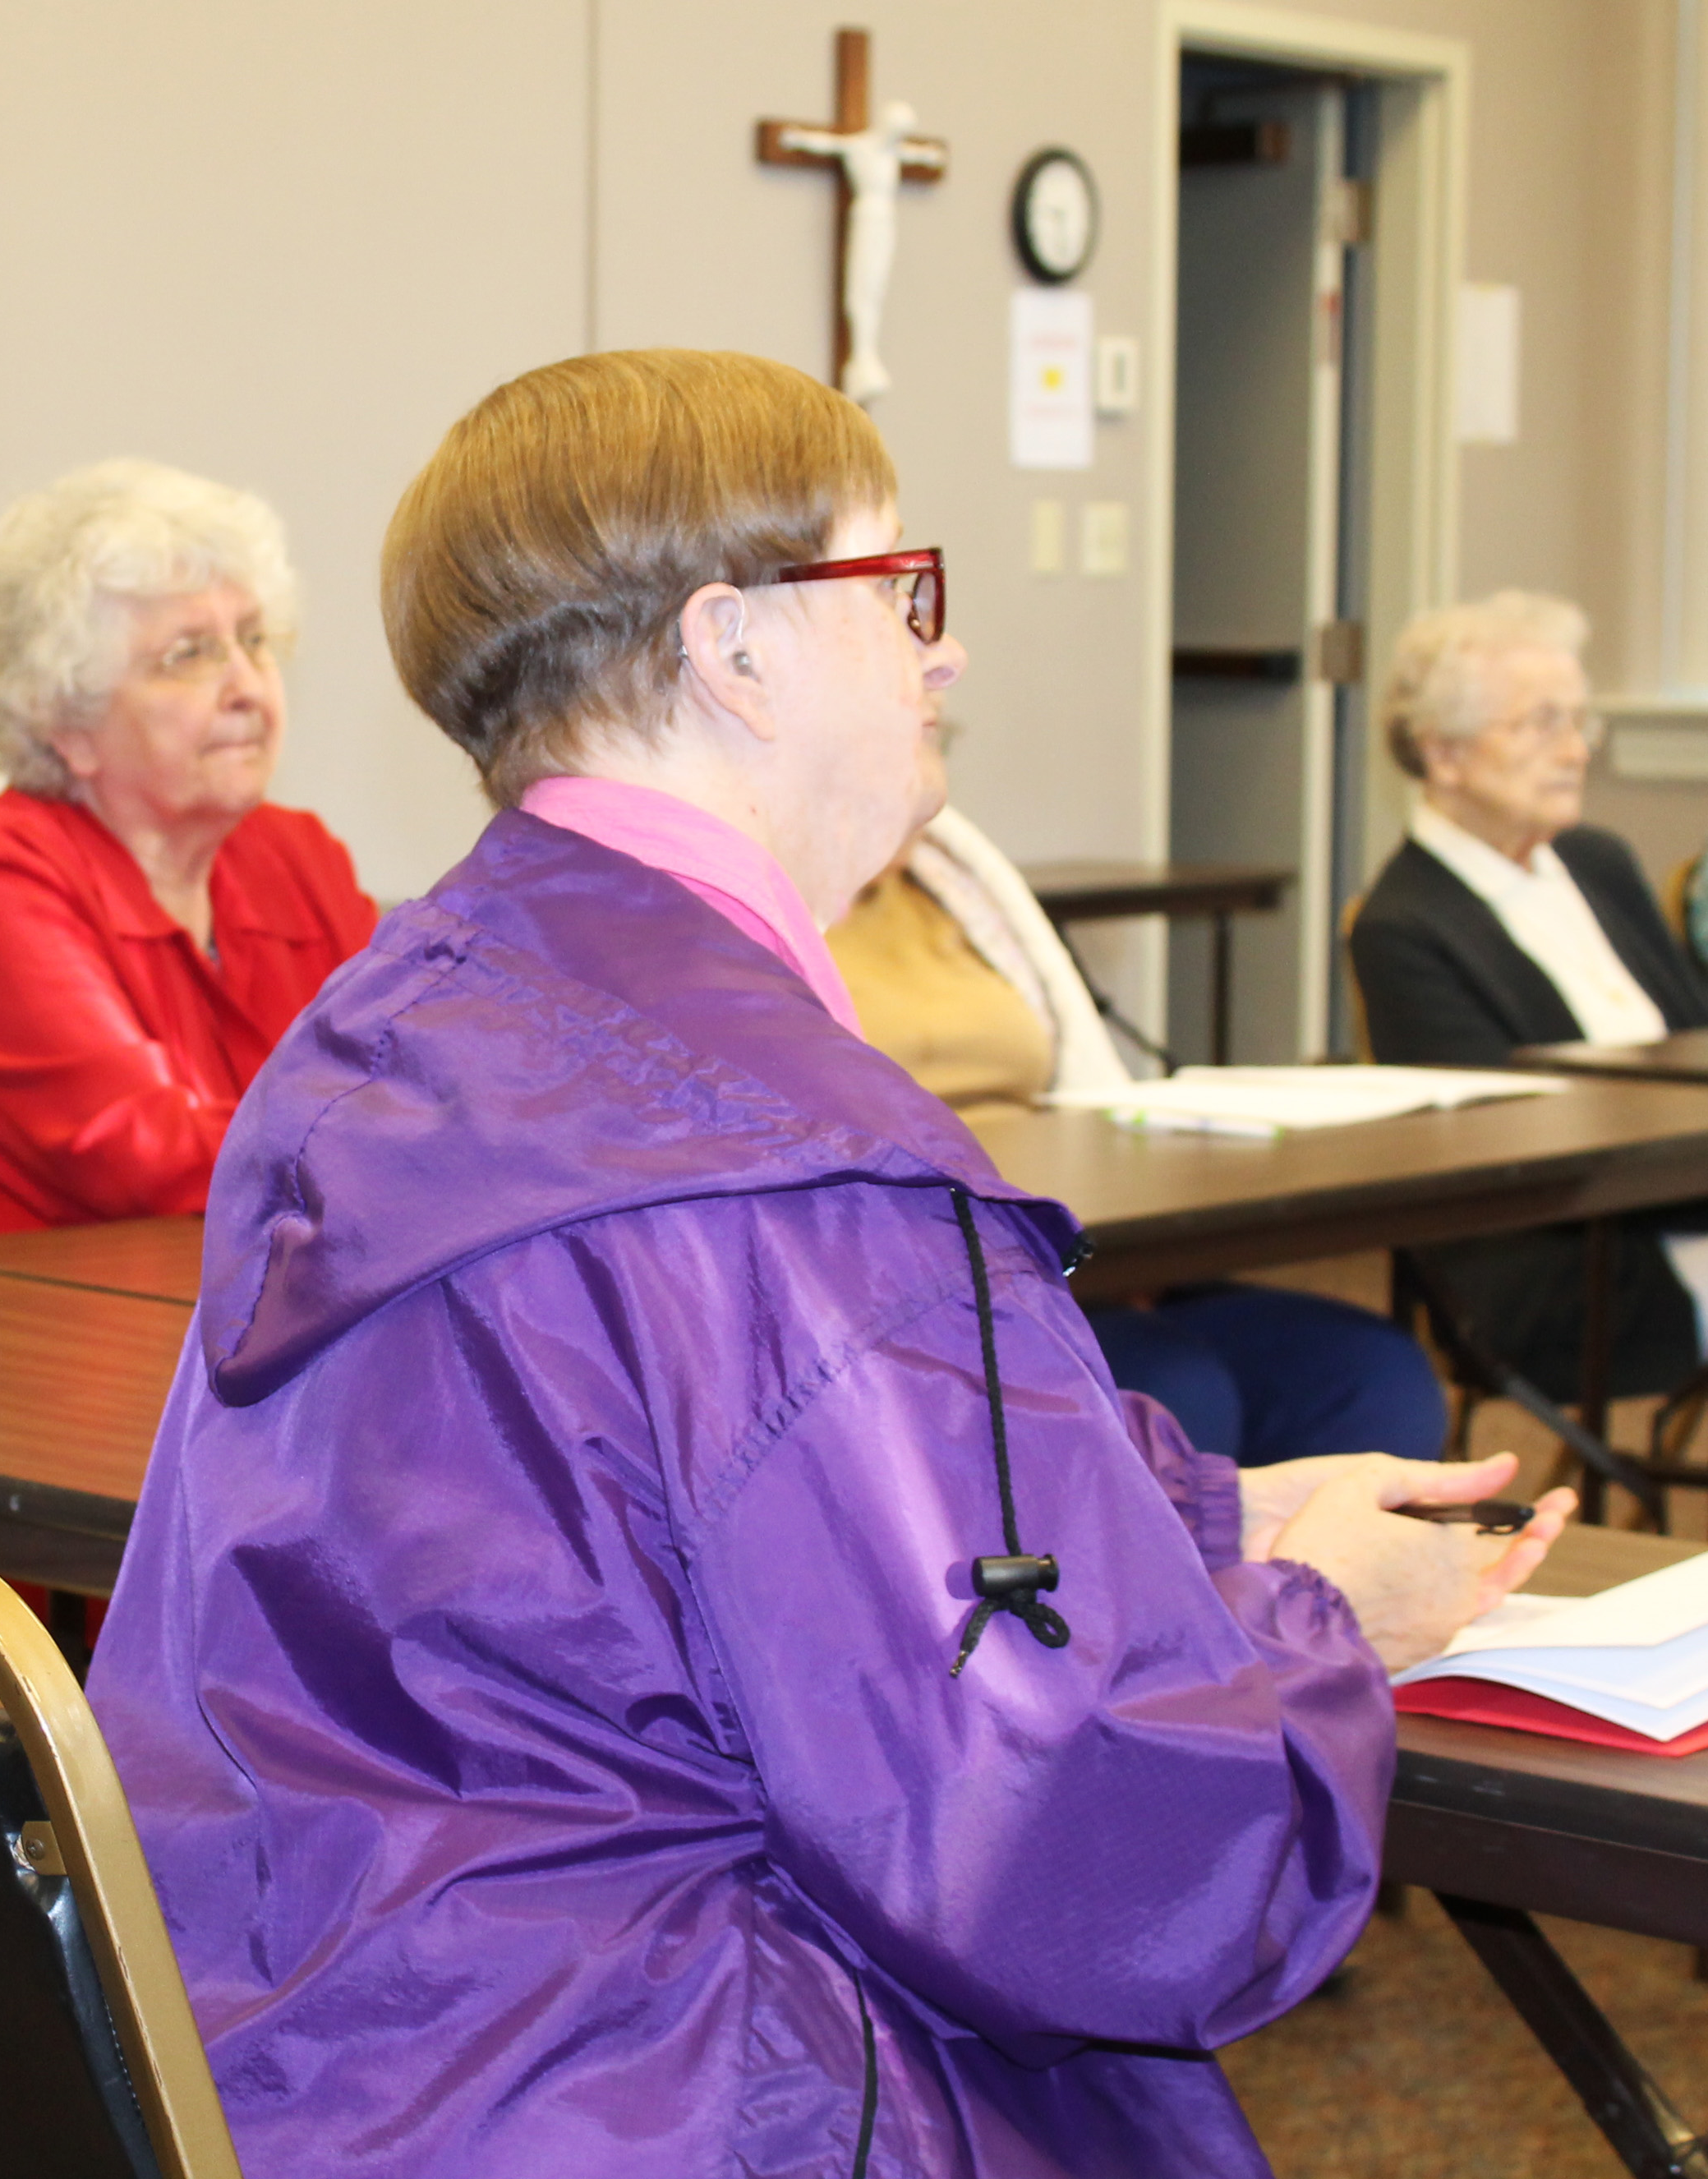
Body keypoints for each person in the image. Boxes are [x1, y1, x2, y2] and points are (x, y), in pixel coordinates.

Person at [87, 351, 1568, 2177]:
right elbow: (1060, 1847)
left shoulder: (400, 1018)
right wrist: (1318, 1618)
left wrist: (1189, 1518)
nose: (942, 653)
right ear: (737, 649)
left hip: (318, 2027)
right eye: (901, 591)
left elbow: (660, 1535)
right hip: (653, 2082)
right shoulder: (777, 1155)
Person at [0, 460, 376, 1246]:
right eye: (189, 655)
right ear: (66, 720)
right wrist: (416, 1152)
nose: (246, 685)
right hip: (16, 1346)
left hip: (236, 1332)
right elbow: (149, 1163)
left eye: (254, 639)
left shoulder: (298, 858)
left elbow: (423, 1078)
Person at [831, 804, 1450, 1462]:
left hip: (1076, 1224)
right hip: (913, 1271)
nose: (927, 767)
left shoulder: (955, 881)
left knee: (1373, 1374)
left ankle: (1305, 1570)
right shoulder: (757, 906)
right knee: (1173, 1390)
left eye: (938, 734)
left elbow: (1078, 1081)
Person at [1351, 591, 1708, 1400]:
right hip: (1574, 1262)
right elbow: (1510, 1147)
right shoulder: (1404, 924)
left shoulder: (1595, 861)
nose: (1574, 751)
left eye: (1580, 722)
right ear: (1441, 752)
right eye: (1540, 724)